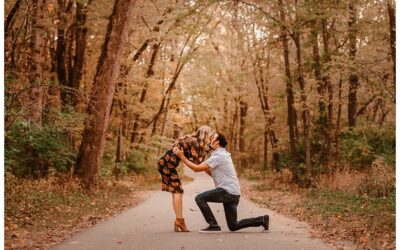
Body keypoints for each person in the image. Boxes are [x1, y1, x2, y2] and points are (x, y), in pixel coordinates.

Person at [173, 133, 269, 233]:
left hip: (228, 192)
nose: (210, 139)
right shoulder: (222, 154)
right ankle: (262, 220)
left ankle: (213, 225)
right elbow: (212, 173)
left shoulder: (218, 156)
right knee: (233, 226)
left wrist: (181, 156)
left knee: (200, 198)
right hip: (233, 193)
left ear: (217, 142)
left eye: (213, 138)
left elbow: (196, 169)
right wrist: (200, 164)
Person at [157, 126, 215, 232]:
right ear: (205, 134)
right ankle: (180, 221)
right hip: (166, 164)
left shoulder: (193, 141)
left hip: (165, 164)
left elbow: (199, 165)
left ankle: (178, 221)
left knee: (177, 191)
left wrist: (213, 175)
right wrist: (214, 176)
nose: (211, 139)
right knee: (178, 191)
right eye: (210, 136)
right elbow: (198, 166)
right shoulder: (194, 143)